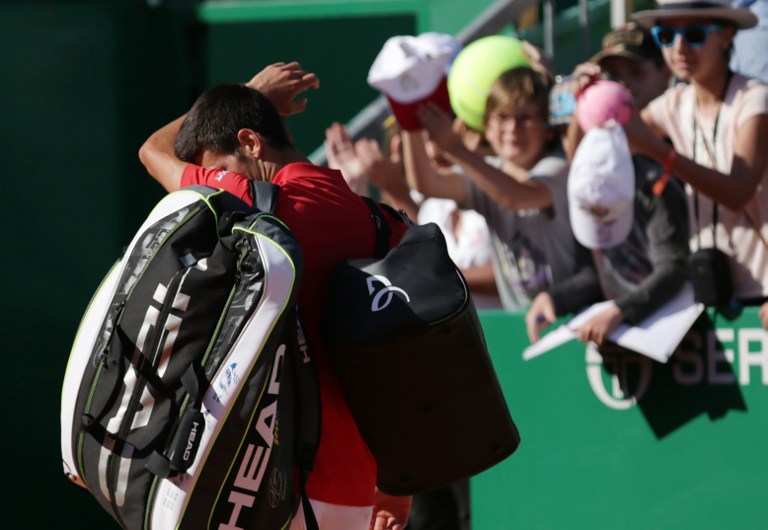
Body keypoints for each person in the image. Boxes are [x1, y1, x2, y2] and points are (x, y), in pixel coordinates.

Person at [138, 61, 411, 530]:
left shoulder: (244, 197)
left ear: (249, 142)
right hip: (360, 494)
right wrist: (399, 485)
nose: (210, 183)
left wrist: (251, 91)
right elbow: (408, 364)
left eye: (215, 170)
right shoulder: (384, 223)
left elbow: (152, 152)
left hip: (265, 492)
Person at [525, 23, 690, 346]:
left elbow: (673, 268)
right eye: (613, 75)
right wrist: (556, 298)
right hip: (629, 333)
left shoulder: (671, 159)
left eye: (635, 71)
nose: (624, 85)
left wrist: (621, 311)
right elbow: (602, 272)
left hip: (681, 334)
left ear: (664, 70)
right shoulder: (596, 166)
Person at [625, 0, 768, 326]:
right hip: (711, 292)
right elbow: (603, 149)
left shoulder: (754, 97)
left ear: (726, 36)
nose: (679, 47)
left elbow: (738, 191)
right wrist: (591, 95)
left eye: (694, 33)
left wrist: (660, 153)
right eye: (666, 35)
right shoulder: (673, 103)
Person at [402, 66, 577, 312]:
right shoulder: (487, 170)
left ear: (548, 129)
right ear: (486, 124)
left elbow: (515, 196)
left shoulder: (557, 168)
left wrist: (456, 149)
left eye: (526, 118)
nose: (512, 128)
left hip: (567, 314)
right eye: (502, 117)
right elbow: (428, 184)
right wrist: (407, 117)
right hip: (516, 319)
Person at [325, 118, 502, 310]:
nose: (432, 152)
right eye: (417, 147)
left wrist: (437, 272)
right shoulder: (433, 210)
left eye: (433, 138)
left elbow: (510, 276)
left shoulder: (489, 191)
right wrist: (357, 192)